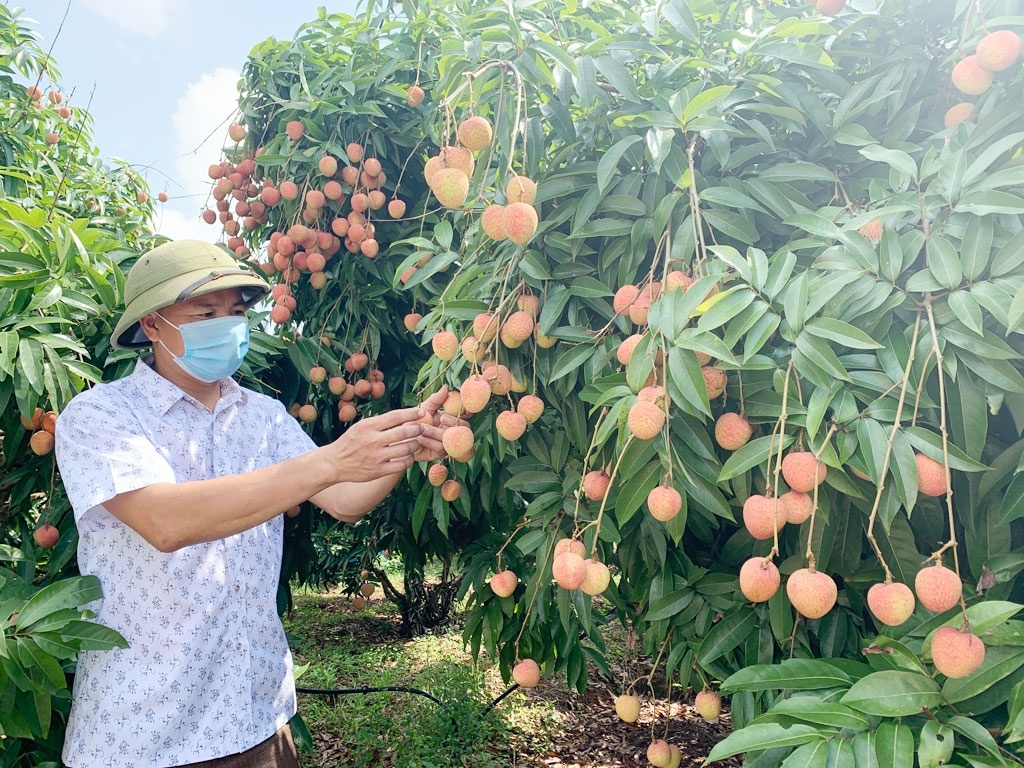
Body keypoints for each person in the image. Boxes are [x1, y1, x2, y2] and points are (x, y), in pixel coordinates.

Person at [54, 240, 451, 768]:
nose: (227, 324)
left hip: (257, 718)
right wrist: (332, 460)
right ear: (152, 326)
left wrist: (405, 446)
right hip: (145, 732)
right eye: (205, 313)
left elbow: (344, 500)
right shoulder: (100, 415)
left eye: (237, 312)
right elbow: (165, 521)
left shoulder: (261, 415)